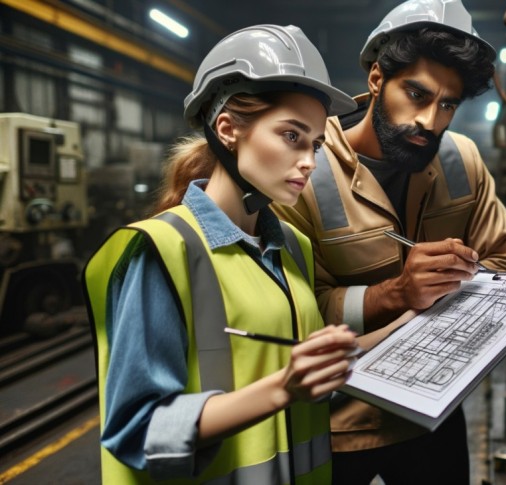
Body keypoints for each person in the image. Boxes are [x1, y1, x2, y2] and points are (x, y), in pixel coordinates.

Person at [83, 25, 361, 484]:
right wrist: (281, 389)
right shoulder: (162, 251)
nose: (310, 161)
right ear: (228, 129)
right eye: (292, 136)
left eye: (315, 144)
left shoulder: (294, 247)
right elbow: (139, 429)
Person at [273, 1, 506, 483]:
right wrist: (398, 293)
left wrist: (465, 281)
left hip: (432, 412)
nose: (430, 121)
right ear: (375, 79)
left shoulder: (462, 160)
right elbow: (291, 312)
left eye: (448, 104)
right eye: (416, 93)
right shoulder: (303, 168)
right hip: (337, 424)